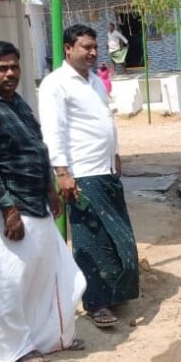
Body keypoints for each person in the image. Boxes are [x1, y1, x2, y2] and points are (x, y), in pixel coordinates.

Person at [0, 40, 86, 362]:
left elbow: (38, 150)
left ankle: (49, 338)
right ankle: (13, 349)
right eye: (2, 68)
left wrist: (51, 191)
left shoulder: (17, 104)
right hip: (9, 211)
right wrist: (7, 209)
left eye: (14, 66)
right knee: (8, 285)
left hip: (36, 205)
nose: (10, 73)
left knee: (50, 275)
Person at [39, 24, 140, 328]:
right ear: (68, 48)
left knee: (115, 238)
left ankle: (113, 292)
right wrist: (62, 172)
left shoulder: (95, 81)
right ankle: (96, 304)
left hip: (105, 170)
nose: (93, 53)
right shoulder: (55, 84)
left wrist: (116, 154)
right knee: (91, 240)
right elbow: (53, 131)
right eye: (86, 47)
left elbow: (106, 121)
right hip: (82, 174)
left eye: (95, 47)